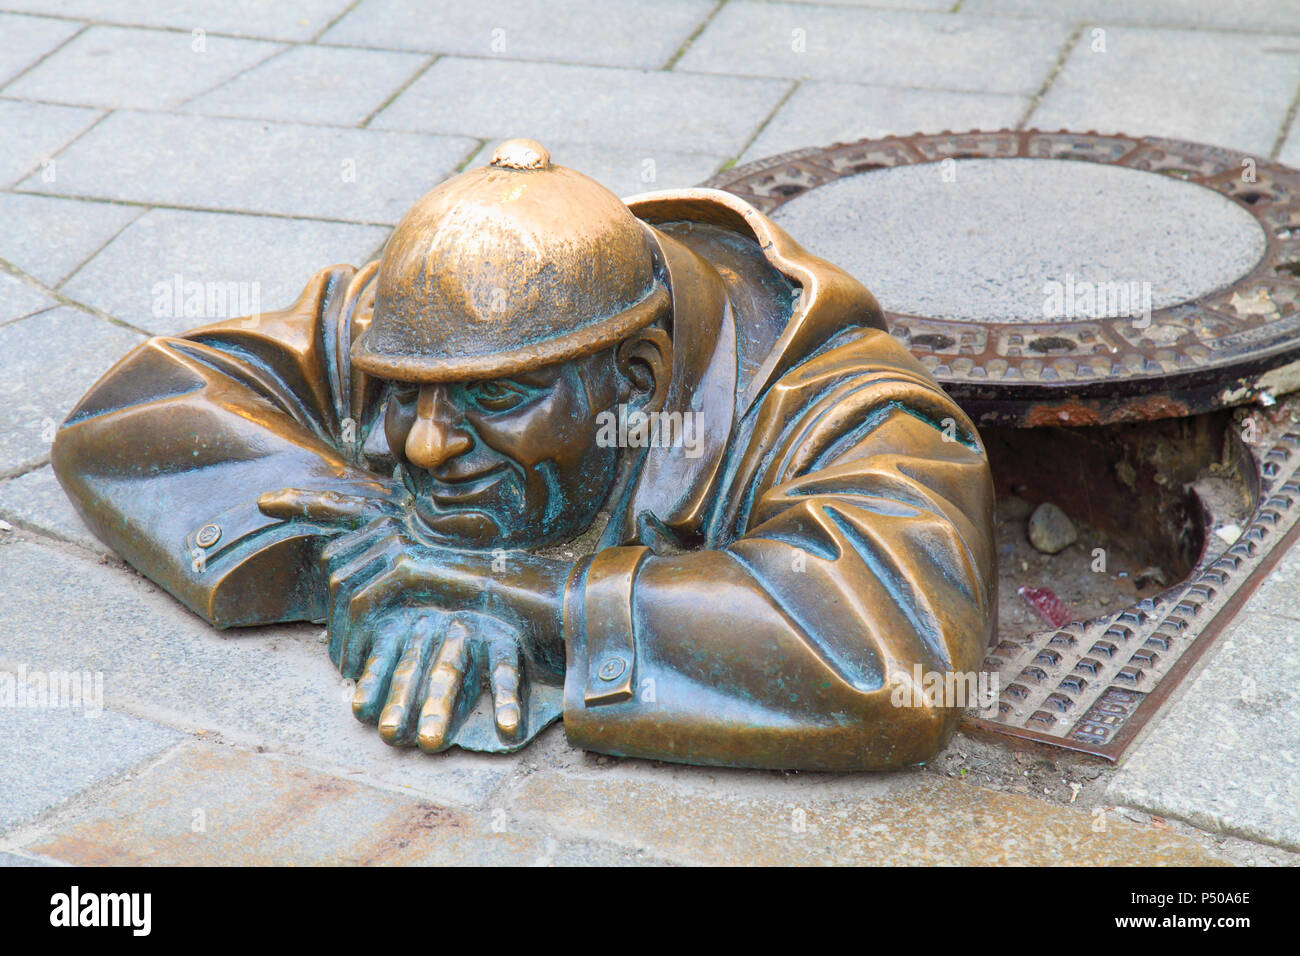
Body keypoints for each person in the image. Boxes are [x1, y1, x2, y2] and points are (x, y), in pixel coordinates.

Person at [52, 139, 995, 771]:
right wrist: (352, 559)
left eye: (495, 402)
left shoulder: (837, 407)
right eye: (401, 397)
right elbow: (139, 407)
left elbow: (894, 653)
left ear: (638, 376)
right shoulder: (426, 325)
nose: (423, 441)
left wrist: (527, 600)